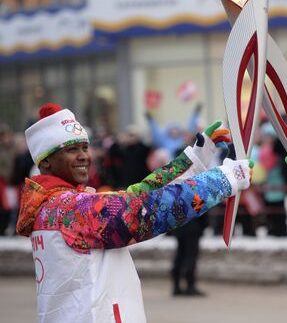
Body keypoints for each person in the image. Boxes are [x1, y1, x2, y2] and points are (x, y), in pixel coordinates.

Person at [16, 103, 252, 323]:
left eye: (84, 148)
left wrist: (197, 158)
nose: (83, 156)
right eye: (70, 150)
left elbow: (137, 195)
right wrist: (223, 180)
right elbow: (144, 212)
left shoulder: (57, 204)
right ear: (45, 162)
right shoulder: (68, 209)